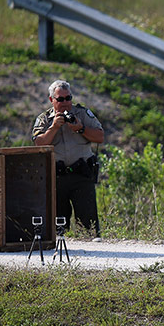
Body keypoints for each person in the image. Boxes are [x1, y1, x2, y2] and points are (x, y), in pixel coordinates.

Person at [32, 80, 104, 239]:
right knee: (57, 230)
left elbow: (100, 137)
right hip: (56, 178)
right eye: (60, 99)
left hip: (81, 175)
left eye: (68, 98)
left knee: (90, 230)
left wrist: (81, 128)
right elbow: (38, 143)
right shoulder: (44, 119)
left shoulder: (82, 114)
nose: (65, 103)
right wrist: (54, 127)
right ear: (52, 100)